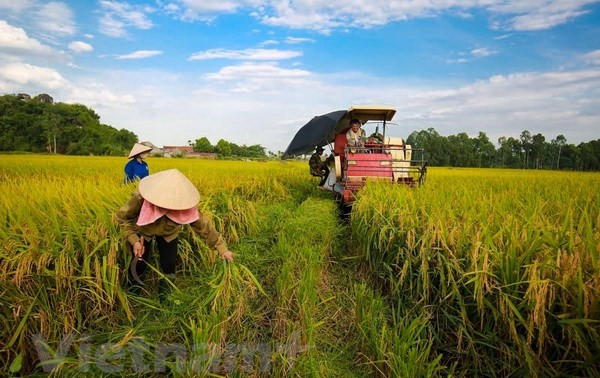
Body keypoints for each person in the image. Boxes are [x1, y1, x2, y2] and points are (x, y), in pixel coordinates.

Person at [114, 169, 234, 300]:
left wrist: (222, 249)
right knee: (139, 263)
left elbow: (204, 227)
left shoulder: (185, 206)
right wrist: (134, 240)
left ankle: (166, 296)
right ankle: (133, 292)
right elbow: (122, 219)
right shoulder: (141, 198)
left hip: (169, 233)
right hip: (144, 232)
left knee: (169, 263)